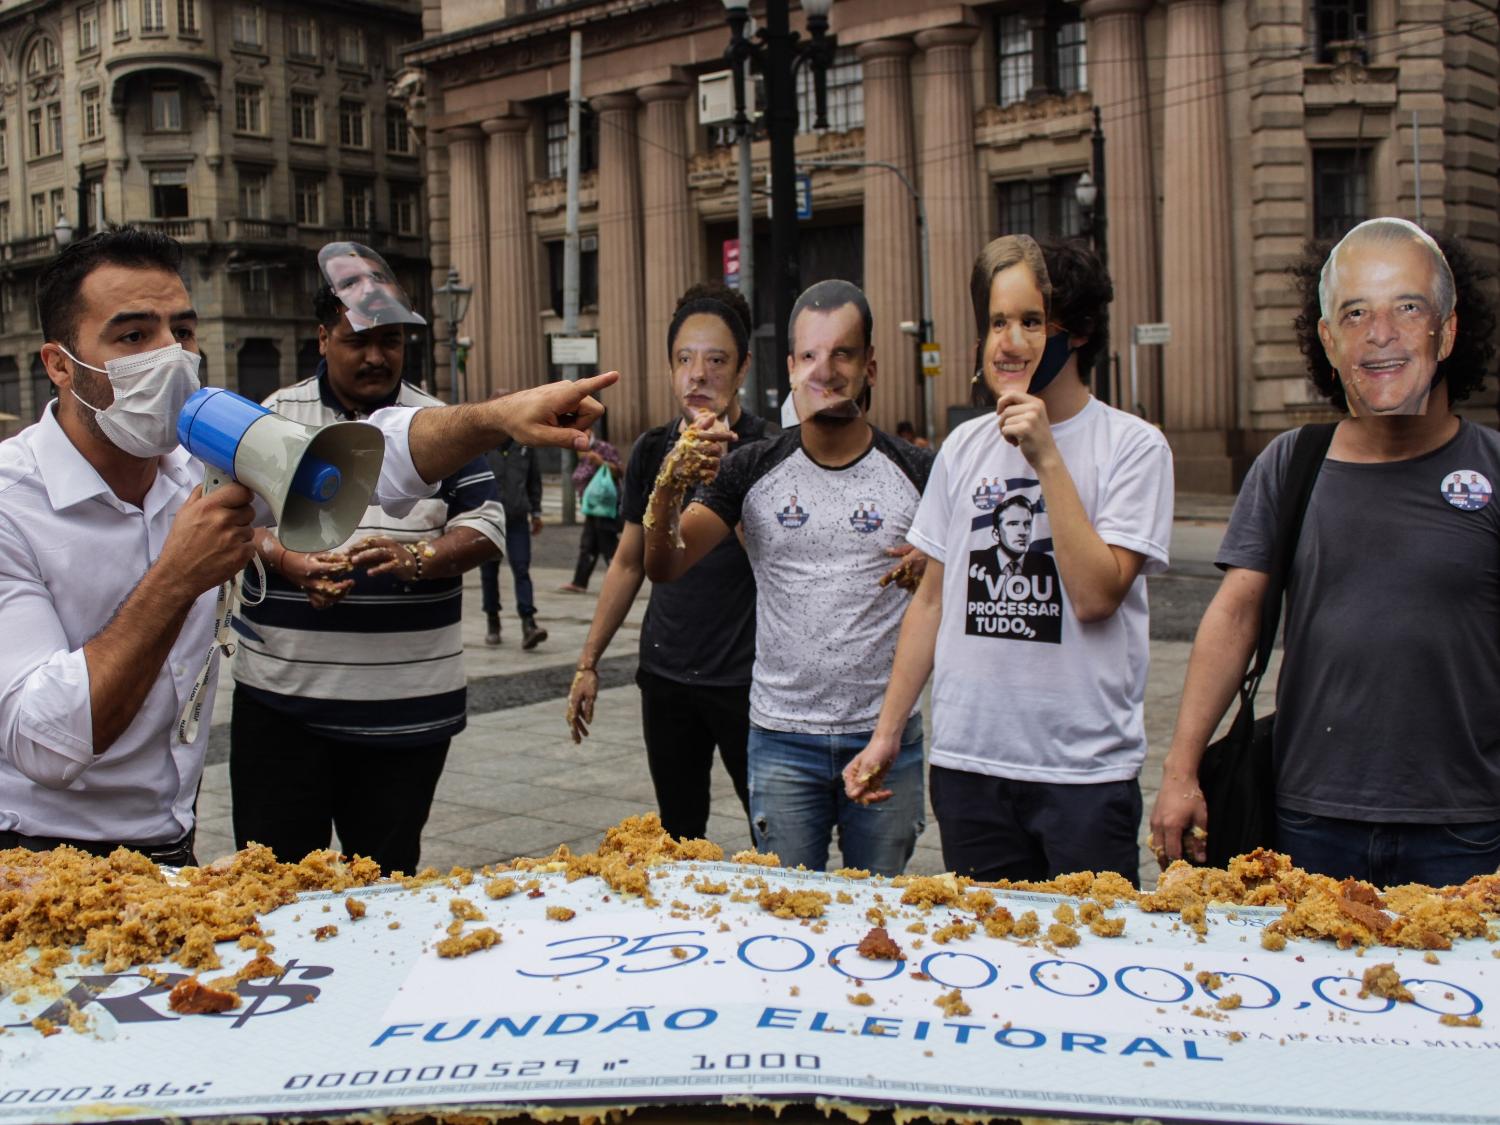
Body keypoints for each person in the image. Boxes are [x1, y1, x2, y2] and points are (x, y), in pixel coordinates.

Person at [0, 227, 615, 864]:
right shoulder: (10, 505)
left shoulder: (194, 461)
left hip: (168, 841)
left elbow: (379, 454)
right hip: (36, 855)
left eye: (180, 331)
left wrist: (495, 416)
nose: (171, 356)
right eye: (134, 336)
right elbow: (46, 743)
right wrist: (178, 576)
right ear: (60, 364)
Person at [1149, 218, 1500, 888]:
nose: (1381, 331)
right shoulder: (1290, 464)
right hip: (1309, 821)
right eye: (1356, 311)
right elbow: (1235, 615)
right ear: (1329, 341)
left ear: (1448, 330)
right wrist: (1179, 770)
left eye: (1408, 306)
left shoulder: (1493, 470)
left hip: (1466, 829)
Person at [844, 236, 1173, 886]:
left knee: (1084, 966)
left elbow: (1097, 594)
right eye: (997, 322)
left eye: (1030, 321)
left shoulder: (1133, 447)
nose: (1008, 341)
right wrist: (887, 733)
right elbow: (933, 600)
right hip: (971, 768)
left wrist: (1046, 456)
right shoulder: (963, 447)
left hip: (1082, 774)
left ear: (1073, 332)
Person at [642, 280, 933, 875]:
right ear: (792, 367)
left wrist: (938, 559)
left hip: (884, 739)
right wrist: (669, 486)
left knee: (876, 912)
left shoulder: (920, 471)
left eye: (842, 353)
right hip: (780, 741)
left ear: (870, 364)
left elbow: (972, 576)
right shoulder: (751, 466)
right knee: (786, 919)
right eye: (809, 355)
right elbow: (664, 564)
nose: (824, 370)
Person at [229, 278, 507, 874]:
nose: (377, 356)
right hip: (282, 711)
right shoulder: (274, 417)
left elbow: (486, 524)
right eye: (359, 341)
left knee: (384, 891)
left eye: (391, 341)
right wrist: (289, 561)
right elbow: (232, 529)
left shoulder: (439, 421)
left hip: (405, 715)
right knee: (270, 887)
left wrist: (421, 560)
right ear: (323, 337)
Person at [567, 282, 774, 840]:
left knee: (773, 834)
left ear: (742, 369)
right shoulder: (653, 448)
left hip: (748, 680)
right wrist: (589, 662)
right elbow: (629, 562)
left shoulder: (769, 450)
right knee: (680, 833)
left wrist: (722, 478)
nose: (698, 374)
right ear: (669, 368)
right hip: (667, 676)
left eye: (716, 360)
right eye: (684, 359)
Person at [481, 395, 547, 649]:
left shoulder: (525, 444)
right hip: (488, 518)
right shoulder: (481, 445)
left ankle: (528, 623)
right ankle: (492, 619)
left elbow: (534, 479)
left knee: (521, 568)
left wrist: (537, 512)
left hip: (518, 517)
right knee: (489, 572)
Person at [558, 430, 623, 594]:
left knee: (608, 544)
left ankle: (620, 581)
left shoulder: (603, 448)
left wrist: (602, 462)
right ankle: (579, 582)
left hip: (605, 505)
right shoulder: (579, 449)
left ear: (590, 432)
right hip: (592, 507)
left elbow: (620, 470)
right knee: (588, 544)